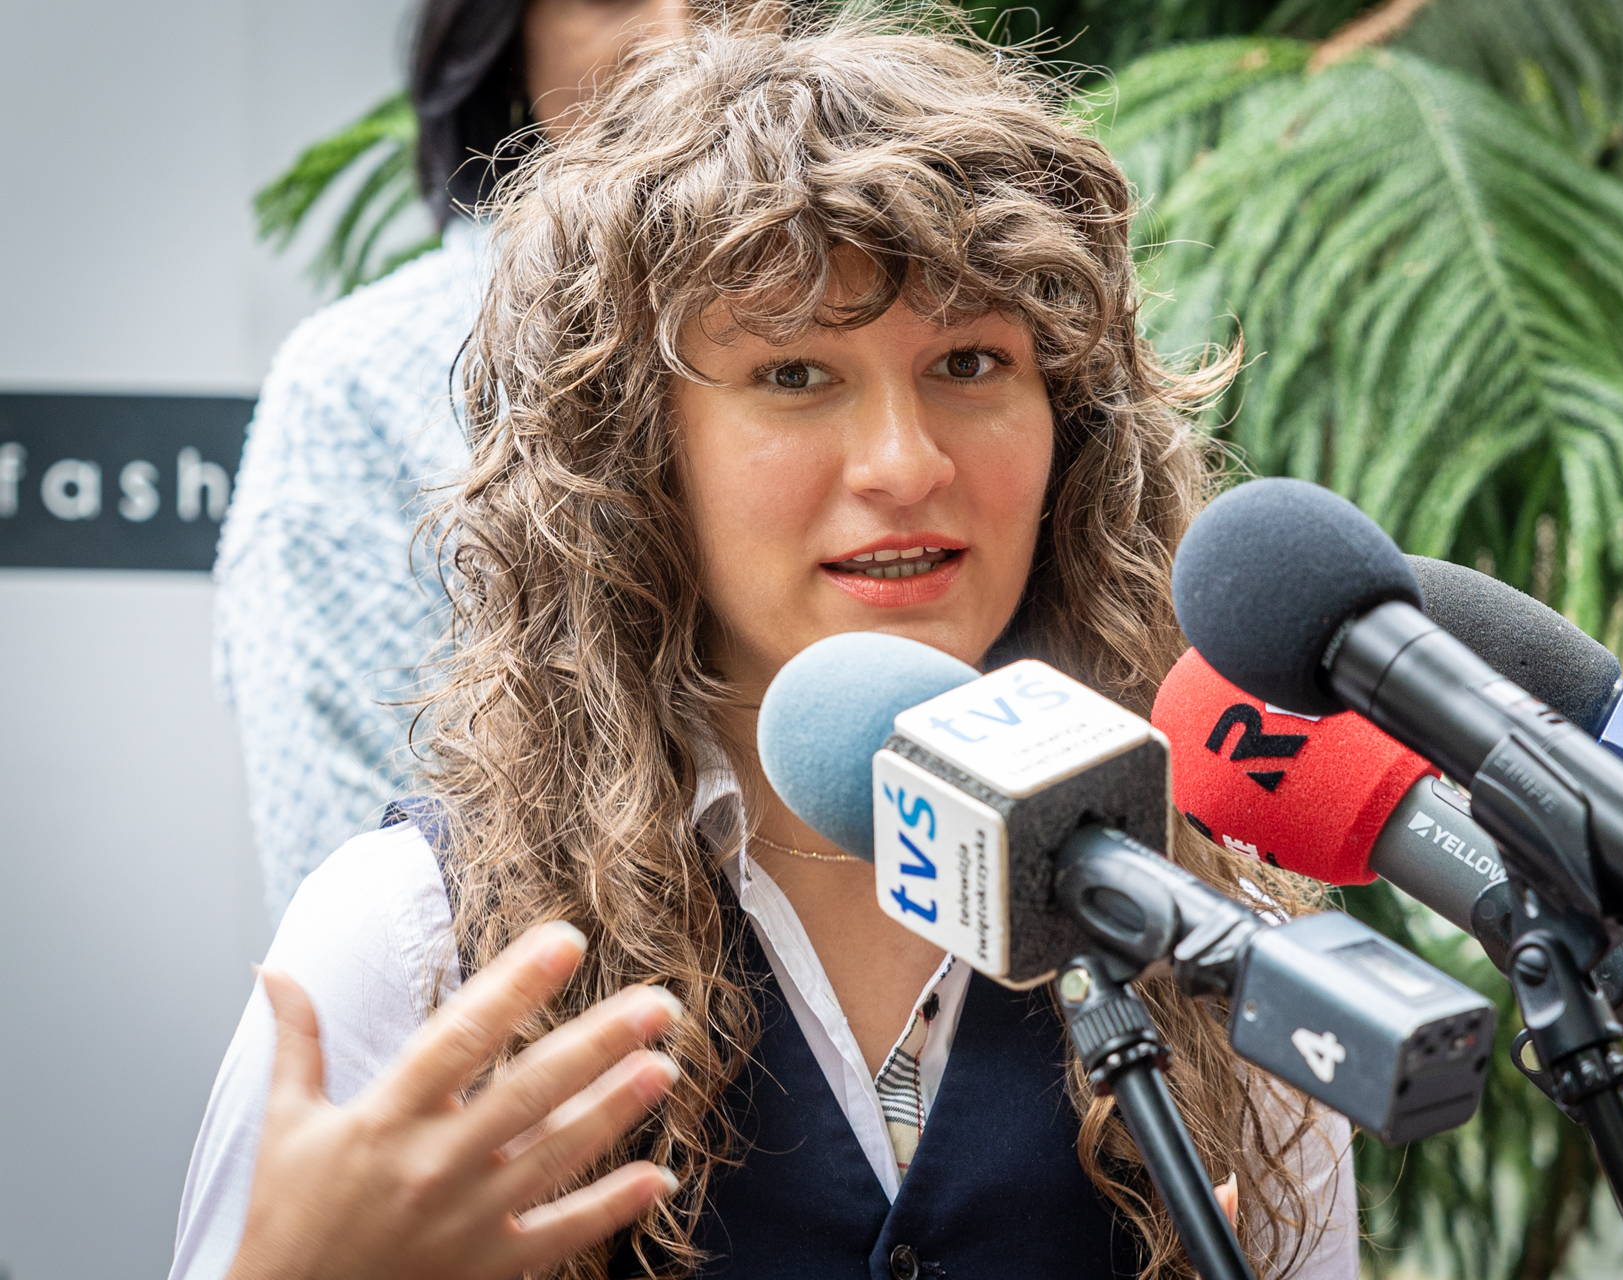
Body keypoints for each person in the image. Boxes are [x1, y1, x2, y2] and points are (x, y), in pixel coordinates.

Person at [174, 11, 1360, 1279]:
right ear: (636, 453)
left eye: (970, 361)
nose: (904, 463)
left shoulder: (1212, 943)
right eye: (795, 374)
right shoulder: (413, 941)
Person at [215, 0, 688, 921]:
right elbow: (358, 892)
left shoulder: (903, 323)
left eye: (728, 2)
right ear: (501, 38)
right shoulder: (361, 380)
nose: (679, 36)